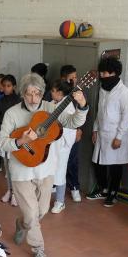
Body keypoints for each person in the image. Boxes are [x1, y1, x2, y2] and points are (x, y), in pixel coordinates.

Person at [0, 72, 88, 257]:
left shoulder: (51, 108)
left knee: (42, 211)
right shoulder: (12, 113)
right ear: (22, 93)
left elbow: (73, 122)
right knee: (32, 213)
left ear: (42, 93)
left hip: (46, 168)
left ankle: (21, 224)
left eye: (37, 93)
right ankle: (38, 249)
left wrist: (82, 106)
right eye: (28, 94)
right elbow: (2, 142)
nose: (33, 99)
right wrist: (22, 141)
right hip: (21, 169)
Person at [88, 57, 128, 208]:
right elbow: (99, 112)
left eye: (105, 72)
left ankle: (113, 193)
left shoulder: (124, 92)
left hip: (115, 134)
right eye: (101, 72)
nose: (102, 75)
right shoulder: (102, 89)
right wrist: (94, 129)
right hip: (101, 132)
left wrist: (119, 137)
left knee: (115, 165)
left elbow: (127, 117)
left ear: (114, 73)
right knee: (98, 163)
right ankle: (103, 189)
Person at [47, 80, 80, 215]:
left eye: (53, 91)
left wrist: (56, 134)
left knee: (60, 172)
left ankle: (60, 202)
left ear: (60, 93)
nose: (51, 93)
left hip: (61, 146)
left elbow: (71, 129)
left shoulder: (68, 107)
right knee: (49, 171)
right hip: (50, 144)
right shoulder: (52, 104)